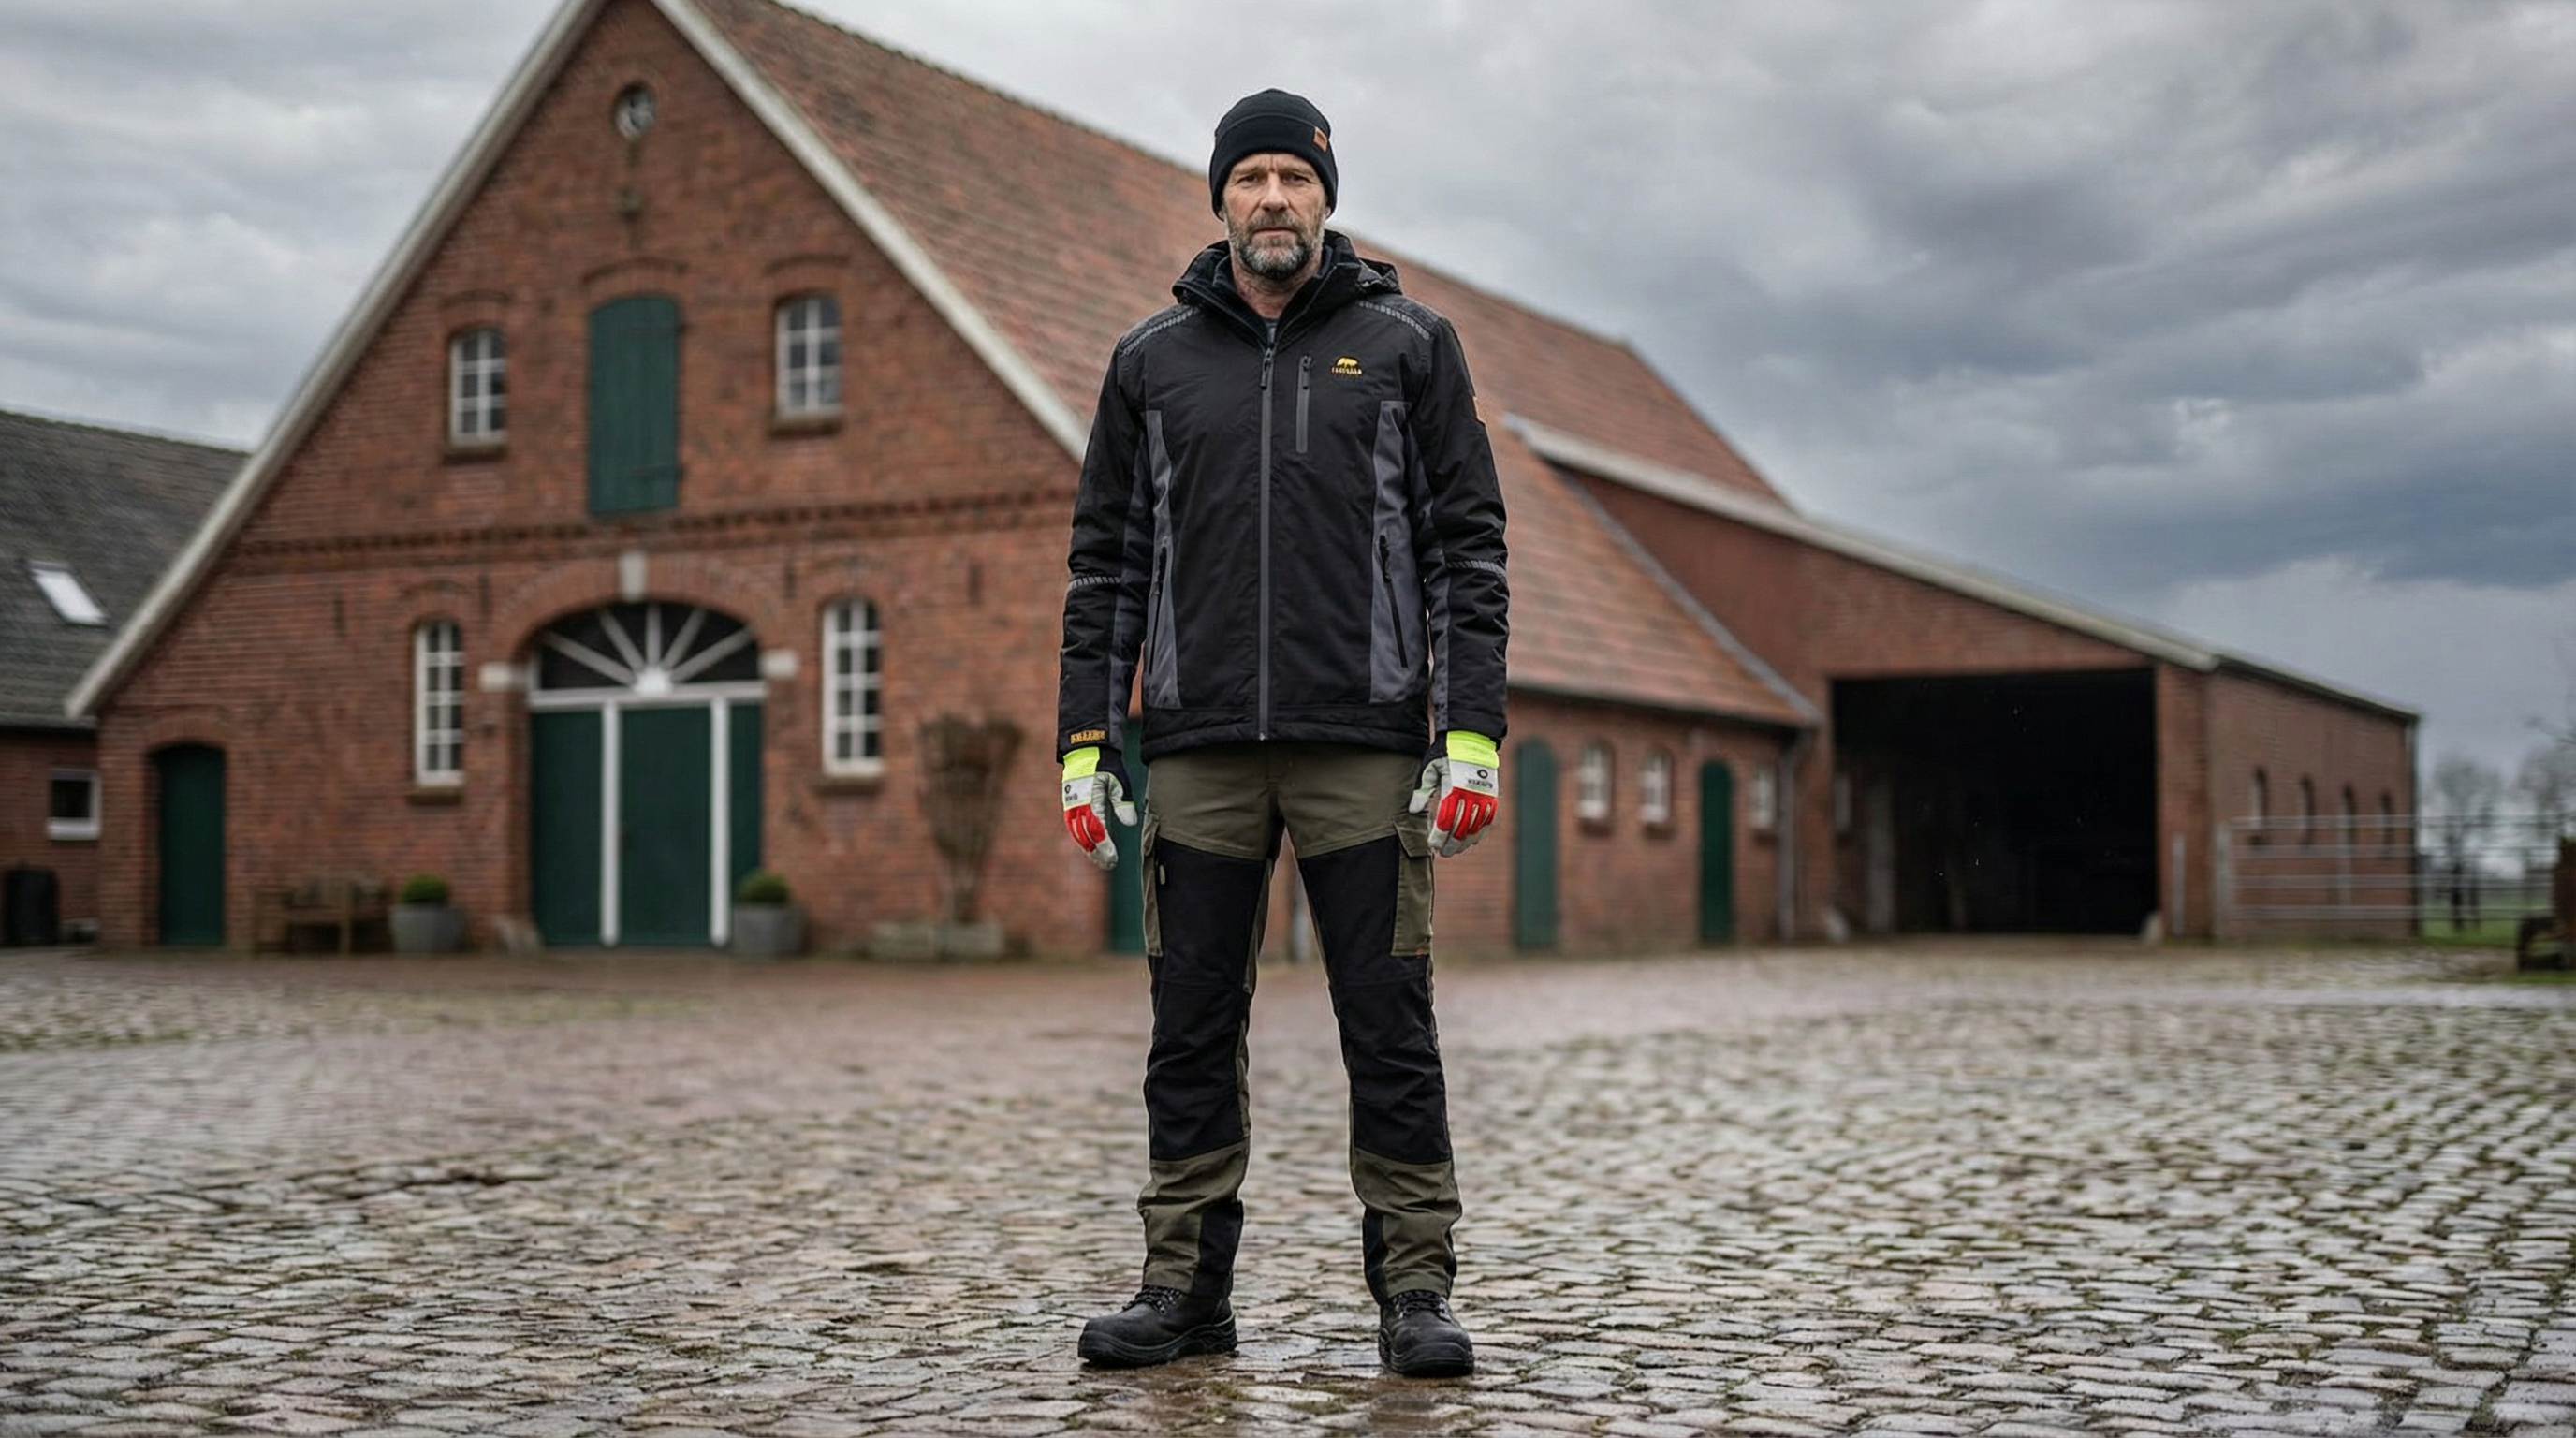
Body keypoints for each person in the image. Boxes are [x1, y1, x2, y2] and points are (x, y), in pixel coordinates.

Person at [1053, 89, 1509, 1378]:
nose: (1271, 199)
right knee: (1189, 1023)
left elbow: (1467, 546)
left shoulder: (1411, 346)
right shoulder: (1151, 363)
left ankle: (1414, 1292)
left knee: (1388, 1016)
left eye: (1292, 179)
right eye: (1249, 176)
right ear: (1218, 198)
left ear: (1326, 197)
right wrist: (1086, 744)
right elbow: (1107, 563)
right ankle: (1185, 1292)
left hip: (1362, 742)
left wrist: (1468, 732)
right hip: (1195, 751)